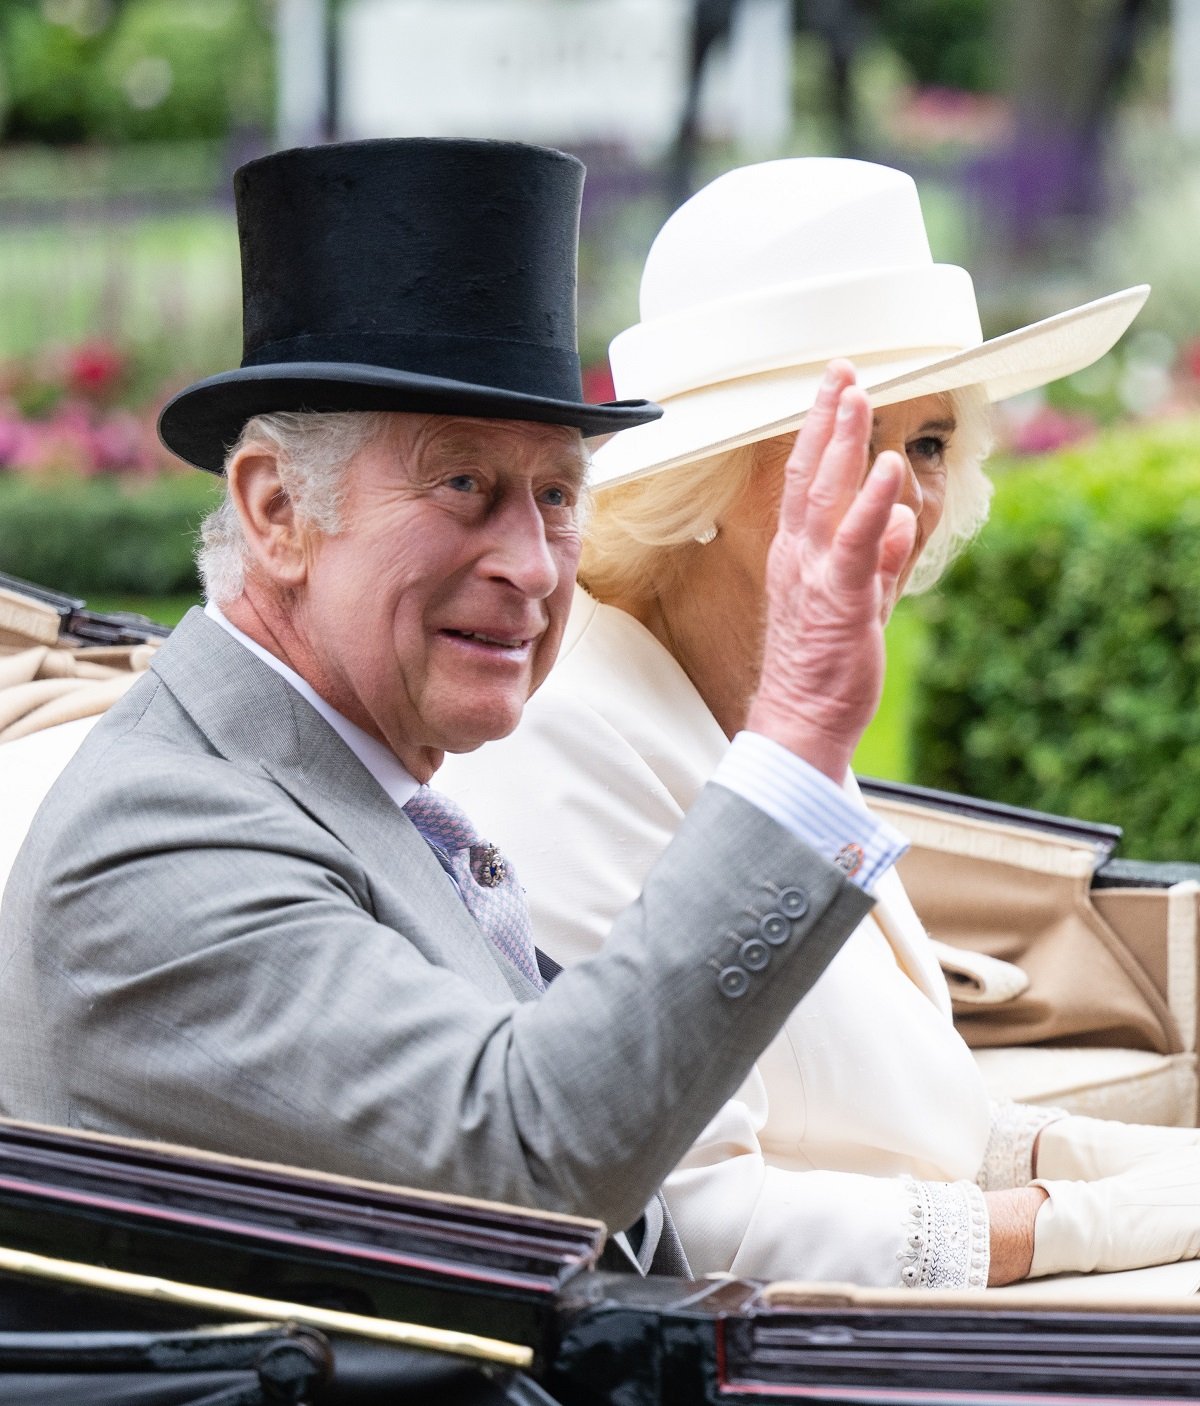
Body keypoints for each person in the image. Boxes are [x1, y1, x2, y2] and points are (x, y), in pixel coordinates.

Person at [0, 138, 916, 1276]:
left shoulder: (359, 788)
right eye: (464, 486)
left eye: (557, 495)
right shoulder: (154, 841)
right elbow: (532, 1155)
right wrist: (793, 732)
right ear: (278, 510)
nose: (533, 565)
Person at [440, 158, 1200, 1289]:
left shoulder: (780, 683)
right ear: (703, 486)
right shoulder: (560, 734)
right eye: (852, 445)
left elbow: (895, 1116)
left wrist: (1136, 1169)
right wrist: (1090, 1223)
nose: (907, 494)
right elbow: (696, 1225)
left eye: (931, 442)